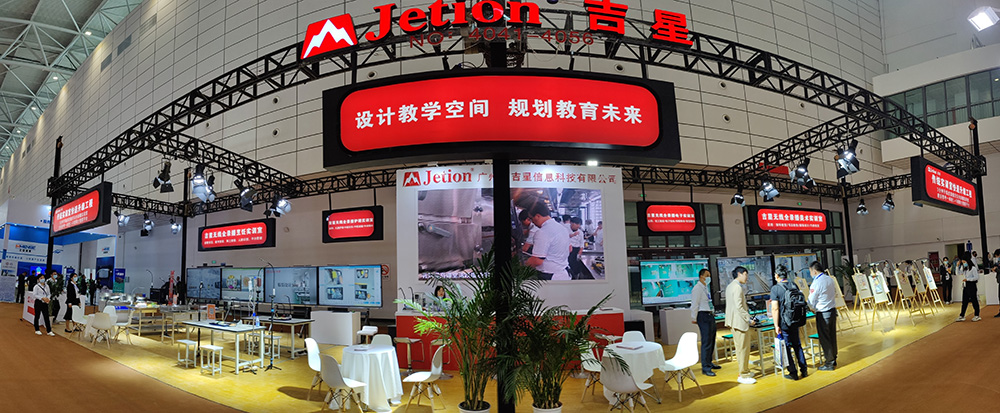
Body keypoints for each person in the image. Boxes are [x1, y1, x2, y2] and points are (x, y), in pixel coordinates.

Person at [770, 266, 808, 380]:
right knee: (797, 345)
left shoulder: (775, 289)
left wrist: (776, 325)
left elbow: (775, 308)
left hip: (784, 322)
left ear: (777, 275)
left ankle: (793, 372)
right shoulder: (794, 285)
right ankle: (804, 369)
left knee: (786, 347)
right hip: (795, 320)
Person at [724, 266, 757, 384]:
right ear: (740, 274)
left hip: (734, 322)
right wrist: (749, 319)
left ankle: (745, 371)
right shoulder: (737, 287)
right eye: (746, 274)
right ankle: (743, 375)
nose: (747, 277)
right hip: (739, 322)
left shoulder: (730, 286)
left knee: (741, 349)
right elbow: (739, 307)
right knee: (743, 349)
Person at [525, 203, 571, 281]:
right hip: (563, 274)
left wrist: (523, 265)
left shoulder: (543, 232)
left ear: (537, 216)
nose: (532, 222)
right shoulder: (562, 228)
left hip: (549, 276)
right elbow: (570, 249)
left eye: (531, 219)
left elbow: (537, 261)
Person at [690, 268, 720, 376]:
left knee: (711, 339)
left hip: (709, 314)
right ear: (701, 276)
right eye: (707, 276)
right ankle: (705, 367)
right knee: (706, 341)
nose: (709, 278)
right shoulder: (697, 288)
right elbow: (694, 304)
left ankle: (709, 362)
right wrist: (694, 318)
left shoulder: (705, 288)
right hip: (702, 315)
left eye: (709, 276)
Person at [808, 261, 837, 370]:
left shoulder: (816, 283)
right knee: (832, 336)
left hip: (822, 312)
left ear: (814, 271)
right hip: (832, 311)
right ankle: (833, 358)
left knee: (824, 338)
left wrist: (811, 308)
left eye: (810, 271)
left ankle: (829, 363)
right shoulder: (829, 279)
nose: (810, 274)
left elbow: (811, 301)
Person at [956, 254, 981, 322]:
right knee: (964, 301)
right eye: (963, 262)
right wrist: (957, 266)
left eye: (964, 262)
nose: (964, 263)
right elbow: (958, 273)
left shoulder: (973, 268)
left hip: (972, 285)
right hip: (965, 286)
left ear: (967, 261)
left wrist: (968, 279)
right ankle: (962, 315)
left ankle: (977, 315)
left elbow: (976, 277)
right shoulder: (964, 268)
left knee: (974, 300)